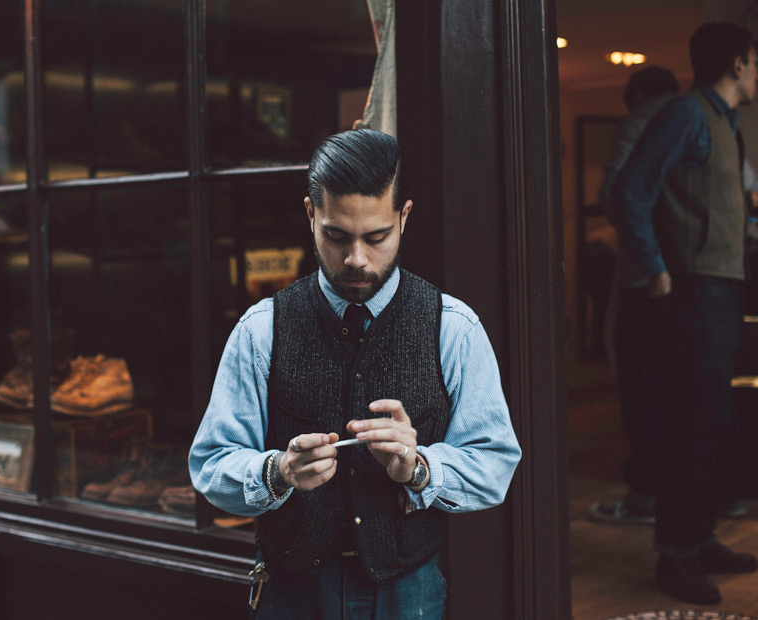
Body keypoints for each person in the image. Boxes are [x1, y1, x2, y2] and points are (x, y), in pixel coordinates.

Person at [189, 128, 521, 619]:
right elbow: (211, 464)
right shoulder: (261, 329)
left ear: (403, 218)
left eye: (377, 237)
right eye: (337, 236)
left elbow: (494, 464)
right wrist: (277, 471)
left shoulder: (454, 328)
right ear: (310, 215)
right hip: (291, 589)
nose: (356, 260)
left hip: (408, 591)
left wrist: (420, 468)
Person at [611, 22, 758, 605]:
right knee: (689, 426)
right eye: (755, 63)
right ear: (736, 64)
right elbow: (629, 189)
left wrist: (747, 206)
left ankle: (699, 537)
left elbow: (695, 199)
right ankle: (676, 557)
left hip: (722, 289)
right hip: (694, 293)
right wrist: (654, 268)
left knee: (709, 422)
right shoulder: (686, 115)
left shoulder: (724, 124)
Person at [590, 66, 681, 525]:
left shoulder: (643, 120)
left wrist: (650, 264)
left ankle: (646, 495)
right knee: (688, 391)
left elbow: (616, 196)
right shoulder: (705, 119)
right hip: (696, 278)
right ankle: (706, 496)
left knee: (642, 388)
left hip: (646, 278)